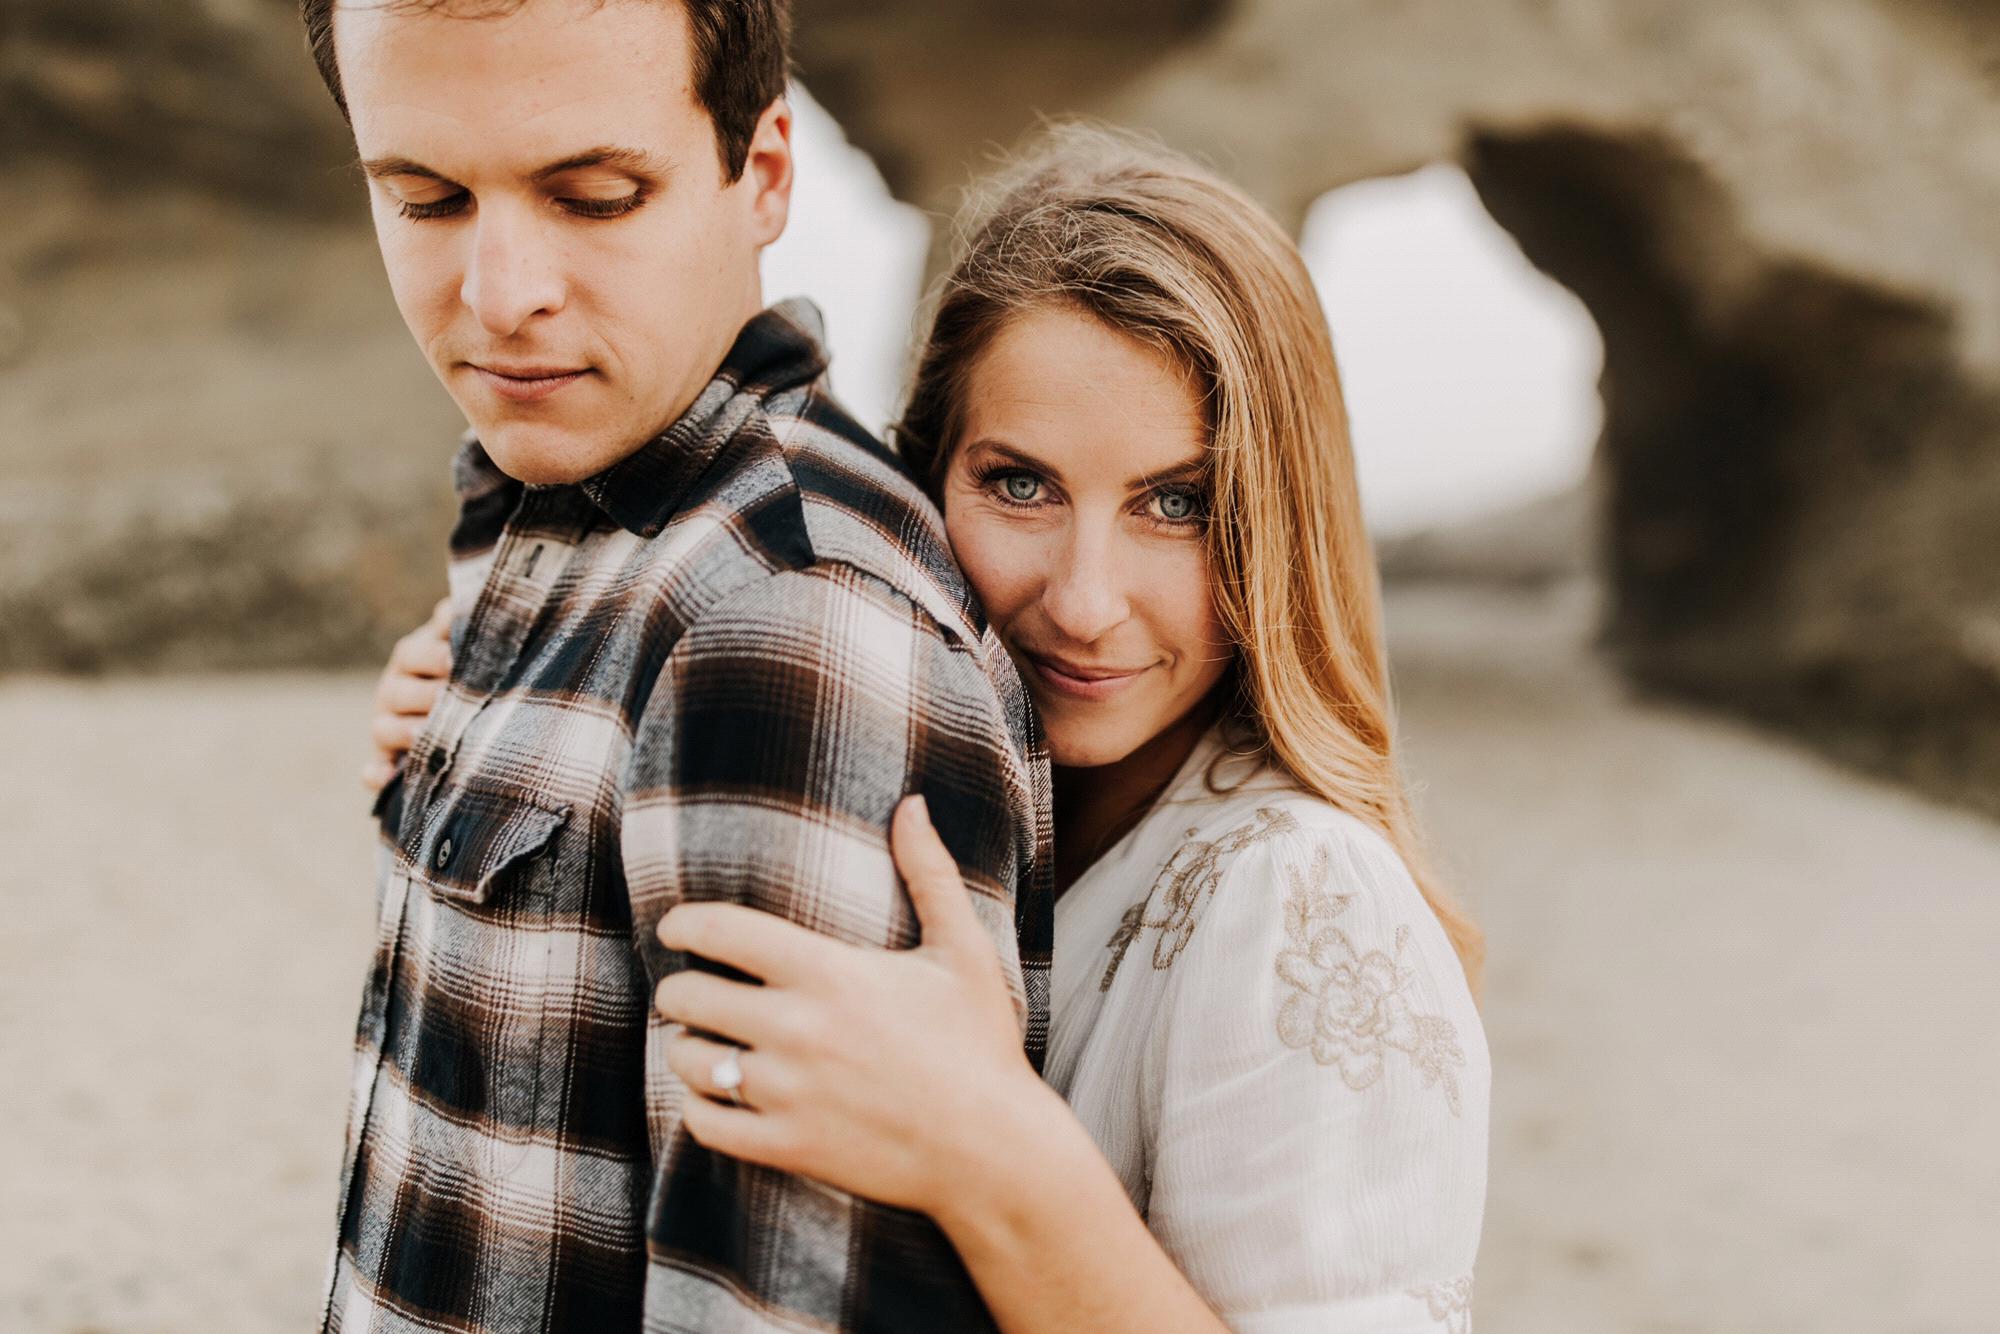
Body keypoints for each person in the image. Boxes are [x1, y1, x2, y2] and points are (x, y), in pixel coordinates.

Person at [372, 129, 1490, 1330]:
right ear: (920, 479)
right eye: (1020, 484)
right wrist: (516, 714)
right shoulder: (940, 783)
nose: (1084, 600)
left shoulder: (1295, 895)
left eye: (1176, 503)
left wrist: (988, 1143)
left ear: (1278, 526)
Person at [306, 0, 1050, 1330]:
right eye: (425, 199)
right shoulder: (571, 520)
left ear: (761, 174)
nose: (501, 295)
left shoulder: (787, 619)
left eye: (594, 197)